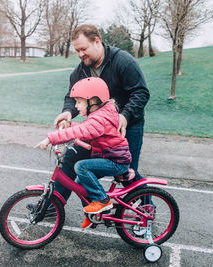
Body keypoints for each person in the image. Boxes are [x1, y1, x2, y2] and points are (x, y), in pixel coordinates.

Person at [53, 24, 150, 202]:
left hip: (128, 126)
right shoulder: (81, 70)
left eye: (83, 49)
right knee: (70, 160)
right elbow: (72, 97)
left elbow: (141, 93)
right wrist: (68, 112)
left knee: (128, 175)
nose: (80, 54)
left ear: (97, 41)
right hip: (97, 128)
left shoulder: (123, 61)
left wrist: (125, 116)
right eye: (77, 51)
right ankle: (53, 205)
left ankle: (146, 211)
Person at [36, 77, 132, 228]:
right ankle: (93, 214)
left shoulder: (100, 118)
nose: (75, 106)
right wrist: (69, 125)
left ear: (93, 101)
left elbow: (84, 129)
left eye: (79, 102)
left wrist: (50, 139)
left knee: (81, 167)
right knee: (81, 182)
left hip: (115, 161)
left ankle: (102, 201)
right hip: (109, 157)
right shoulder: (99, 114)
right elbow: (85, 128)